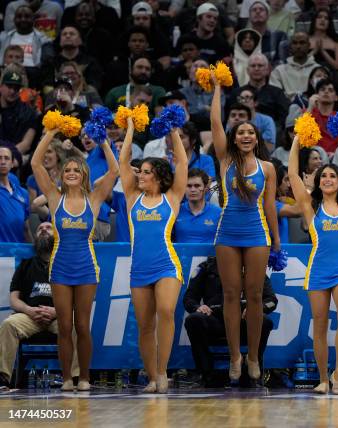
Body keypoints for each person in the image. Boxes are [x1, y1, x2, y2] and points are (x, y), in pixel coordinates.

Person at [30, 118, 119, 391]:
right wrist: (52, 131)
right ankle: (67, 378)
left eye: (75, 170)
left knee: (82, 325)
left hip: (86, 269)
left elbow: (115, 170)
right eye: (66, 169)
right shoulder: (54, 198)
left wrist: (101, 137)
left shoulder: (93, 200)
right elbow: (34, 163)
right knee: (64, 326)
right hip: (59, 268)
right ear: (62, 174)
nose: (70, 172)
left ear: (83, 174)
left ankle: (84, 378)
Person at [211, 74, 280, 383]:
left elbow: (269, 207)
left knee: (253, 295)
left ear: (257, 136)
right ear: (234, 137)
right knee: (229, 294)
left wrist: (277, 241)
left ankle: (253, 356)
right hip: (227, 233)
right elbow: (214, 123)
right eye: (241, 132)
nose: (246, 136)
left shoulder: (268, 168)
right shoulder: (225, 160)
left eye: (250, 131)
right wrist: (216, 88)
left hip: (257, 233)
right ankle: (235, 357)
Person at [288, 123, 338, 394]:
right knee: (319, 326)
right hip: (317, 271)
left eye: (333, 175)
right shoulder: (311, 207)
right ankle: (322, 378)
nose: (328, 179)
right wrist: (297, 140)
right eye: (324, 176)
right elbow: (293, 175)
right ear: (318, 182)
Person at [118, 116, 188, 394]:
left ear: (158, 175)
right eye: (141, 171)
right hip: (139, 269)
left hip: (166, 265)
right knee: (145, 325)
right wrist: (131, 129)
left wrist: (172, 130)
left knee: (166, 311)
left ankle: (162, 372)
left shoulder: (171, 198)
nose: (139, 174)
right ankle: (151, 377)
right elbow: (123, 162)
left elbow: (182, 164)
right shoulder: (132, 198)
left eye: (145, 171)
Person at [0, 222, 79, 389]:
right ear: (34, 237)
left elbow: (76, 299)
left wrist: (56, 311)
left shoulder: (66, 264)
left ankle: (75, 378)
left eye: (48, 228)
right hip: (30, 316)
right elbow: (14, 299)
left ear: (56, 236)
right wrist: (29, 310)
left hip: (58, 316)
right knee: (8, 325)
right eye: (39, 229)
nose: (43, 230)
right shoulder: (26, 265)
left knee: (76, 326)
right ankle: (3, 378)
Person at [183, 257, 278, 386]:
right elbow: (189, 298)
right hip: (216, 319)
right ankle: (206, 373)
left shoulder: (253, 267)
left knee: (264, 321)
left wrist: (256, 309)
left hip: (244, 322)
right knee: (193, 320)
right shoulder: (206, 267)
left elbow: (272, 300)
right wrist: (197, 307)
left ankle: (253, 367)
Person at [174, 168, 221, 243]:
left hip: (209, 254)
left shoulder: (218, 213)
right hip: (181, 254)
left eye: (197, 186)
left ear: (206, 189)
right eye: (189, 186)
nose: (192, 190)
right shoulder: (175, 211)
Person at [0, 146, 31, 243]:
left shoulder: (23, 193)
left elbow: (25, 227)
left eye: (7, 158)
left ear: (12, 163)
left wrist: (33, 251)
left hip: (17, 252)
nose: (3, 162)